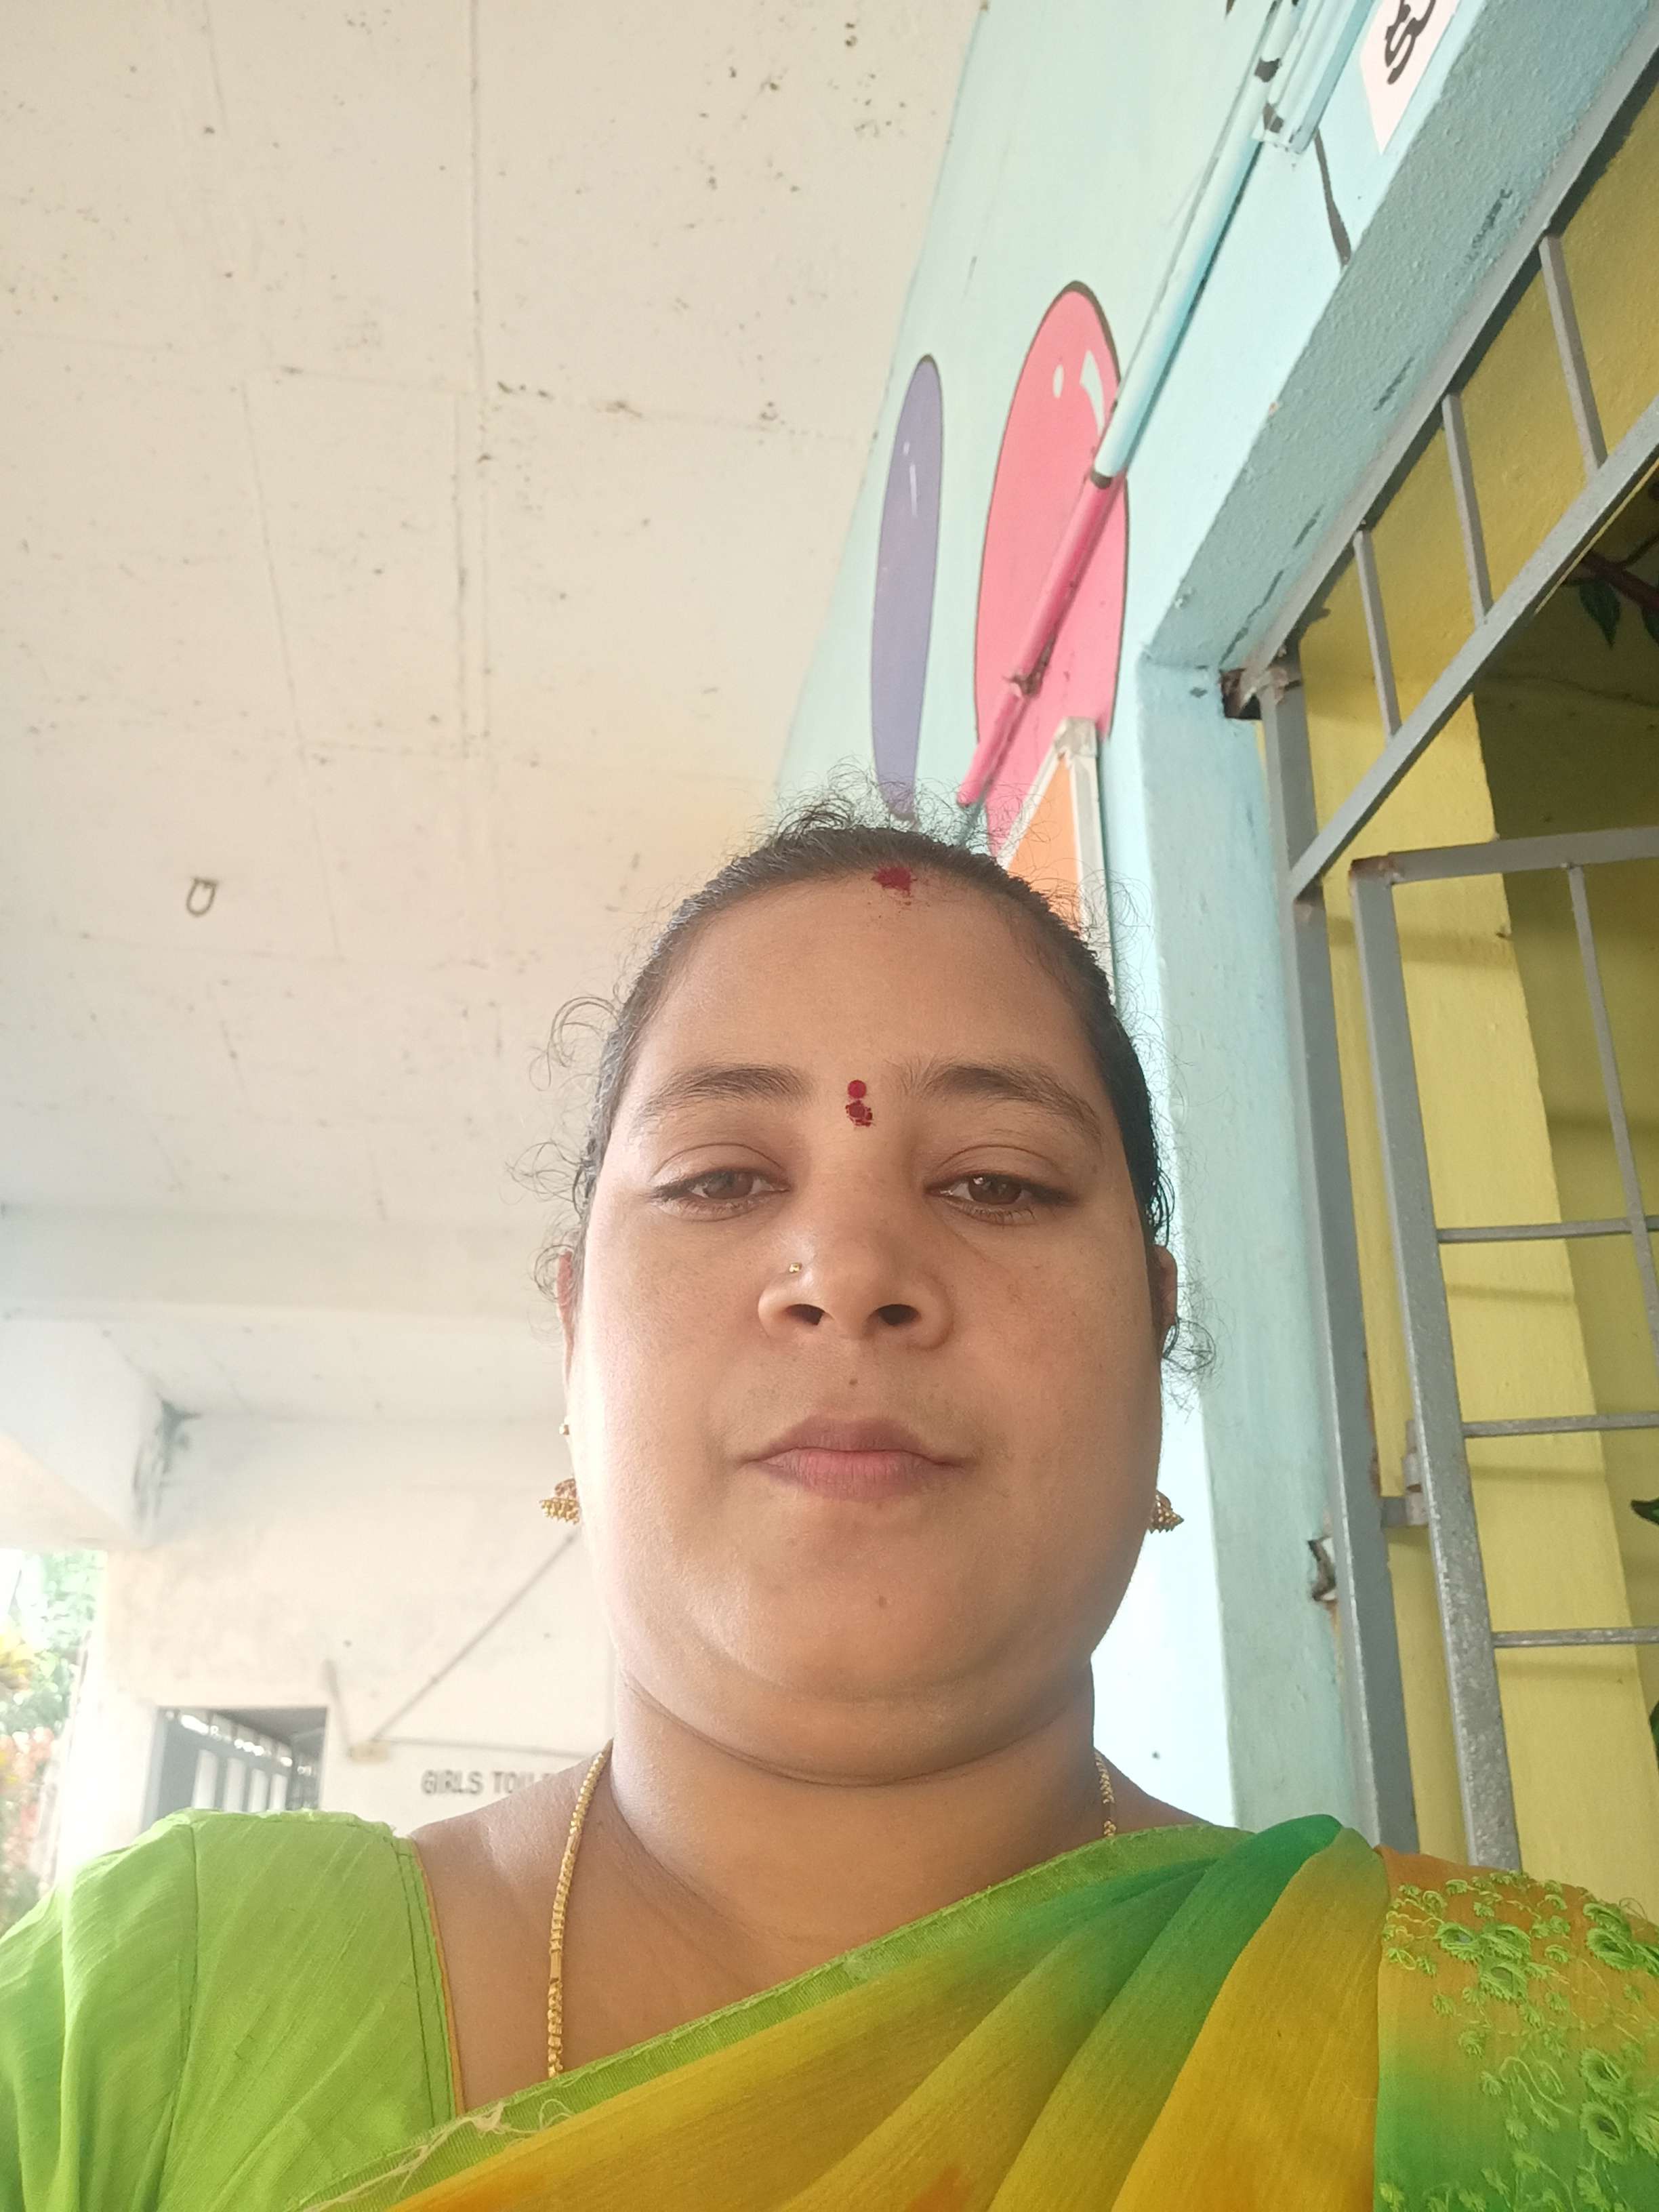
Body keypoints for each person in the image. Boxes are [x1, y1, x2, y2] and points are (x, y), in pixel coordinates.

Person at [3, 799, 1658, 2211]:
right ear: (575, 1337)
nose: (849, 1270)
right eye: (723, 1178)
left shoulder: (1537, 2064)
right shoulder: (144, 2016)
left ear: (1154, 1334)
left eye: (998, 1182)